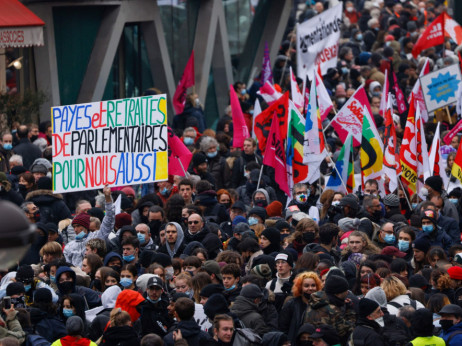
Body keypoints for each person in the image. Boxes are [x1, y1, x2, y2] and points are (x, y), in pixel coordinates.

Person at [304, 275, 356, 344]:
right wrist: (350, 310)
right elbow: (347, 330)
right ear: (338, 293)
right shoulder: (332, 309)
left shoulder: (314, 302)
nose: (347, 293)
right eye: (345, 290)